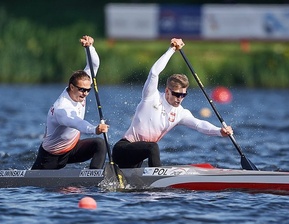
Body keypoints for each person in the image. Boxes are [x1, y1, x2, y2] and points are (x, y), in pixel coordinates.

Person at [112, 38, 233, 168]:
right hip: (123, 149)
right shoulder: (151, 96)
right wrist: (172, 50)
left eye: (183, 95)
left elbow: (199, 124)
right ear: (167, 91)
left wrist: (219, 131)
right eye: (176, 94)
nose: (180, 98)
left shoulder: (180, 113)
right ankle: (158, 182)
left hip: (139, 155)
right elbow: (154, 73)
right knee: (153, 147)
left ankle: (150, 181)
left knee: (148, 153)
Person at [31, 35, 109, 170]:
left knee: (100, 144)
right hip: (51, 157)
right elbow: (77, 123)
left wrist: (89, 47)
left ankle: (94, 178)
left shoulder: (81, 87)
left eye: (88, 90)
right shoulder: (62, 108)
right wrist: (95, 129)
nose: (85, 93)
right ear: (71, 87)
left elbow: (94, 64)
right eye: (81, 90)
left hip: (73, 149)